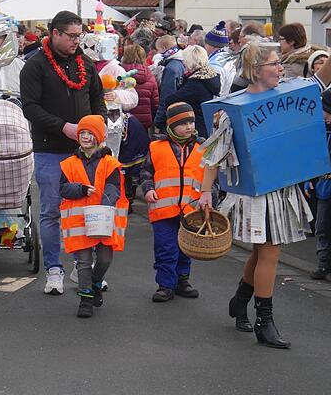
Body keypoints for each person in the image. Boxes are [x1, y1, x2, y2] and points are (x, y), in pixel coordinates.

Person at [199, 41, 314, 349]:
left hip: (281, 187)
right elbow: (214, 154)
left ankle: (241, 300)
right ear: (255, 70)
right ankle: (265, 321)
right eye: (274, 64)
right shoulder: (233, 110)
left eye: (280, 64)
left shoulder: (286, 97)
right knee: (270, 250)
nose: (281, 68)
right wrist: (205, 192)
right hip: (254, 192)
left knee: (261, 251)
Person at [20, 10, 106, 295]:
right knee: (51, 211)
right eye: (71, 36)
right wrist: (63, 127)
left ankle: (82, 267)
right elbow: (30, 107)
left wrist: (99, 126)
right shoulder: (35, 66)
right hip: (50, 149)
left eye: (79, 36)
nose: (75, 41)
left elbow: (97, 99)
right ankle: (53, 269)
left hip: (86, 152)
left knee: (88, 209)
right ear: (54, 33)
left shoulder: (85, 63)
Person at [59, 115, 128, 318]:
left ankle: (96, 282)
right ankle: (85, 298)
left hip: (103, 219)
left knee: (105, 259)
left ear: (98, 136)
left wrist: (104, 207)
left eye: (90, 133)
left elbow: (113, 187)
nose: (86, 137)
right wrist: (80, 189)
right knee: (83, 261)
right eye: (82, 133)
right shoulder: (68, 164)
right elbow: (63, 188)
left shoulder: (110, 163)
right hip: (80, 221)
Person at [141, 102, 204, 302]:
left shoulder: (203, 148)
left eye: (191, 122)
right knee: (166, 247)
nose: (189, 126)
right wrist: (148, 189)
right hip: (163, 209)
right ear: (171, 125)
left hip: (191, 209)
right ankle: (165, 285)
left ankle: (182, 281)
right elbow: (145, 172)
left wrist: (208, 196)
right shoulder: (156, 147)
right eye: (183, 123)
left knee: (186, 247)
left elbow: (211, 177)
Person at [155, 45, 221, 138]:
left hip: (195, 129)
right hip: (203, 124)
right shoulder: (209, 76)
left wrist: (159, 122)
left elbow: (170, 100)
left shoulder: (195, 83)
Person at [310, 89, 331, 279]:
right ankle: (323, 262)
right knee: (322, 226)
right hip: (324, 188)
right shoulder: (321, 132)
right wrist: (309, 178)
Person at [121, 44, 159, 130]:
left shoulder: (120, 73)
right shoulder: (150, 76)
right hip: (143, 121)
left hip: (123, 119)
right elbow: (155, 102)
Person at [204, 21, 236, 97]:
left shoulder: (215, 65)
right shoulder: (229, 58)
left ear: (213, 46)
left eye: (206, 44)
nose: (205, 46)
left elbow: (217, 92)